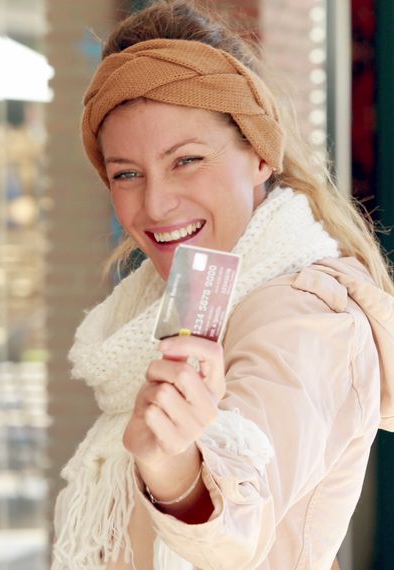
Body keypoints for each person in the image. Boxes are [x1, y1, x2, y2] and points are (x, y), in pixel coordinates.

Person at [51, 1, 394, 568]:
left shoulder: (302, 317)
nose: (155, 204)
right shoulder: (149, 314)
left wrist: (177, 473)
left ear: (260, 155)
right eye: (127, 174)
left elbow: (241, 529)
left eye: (186, 160)